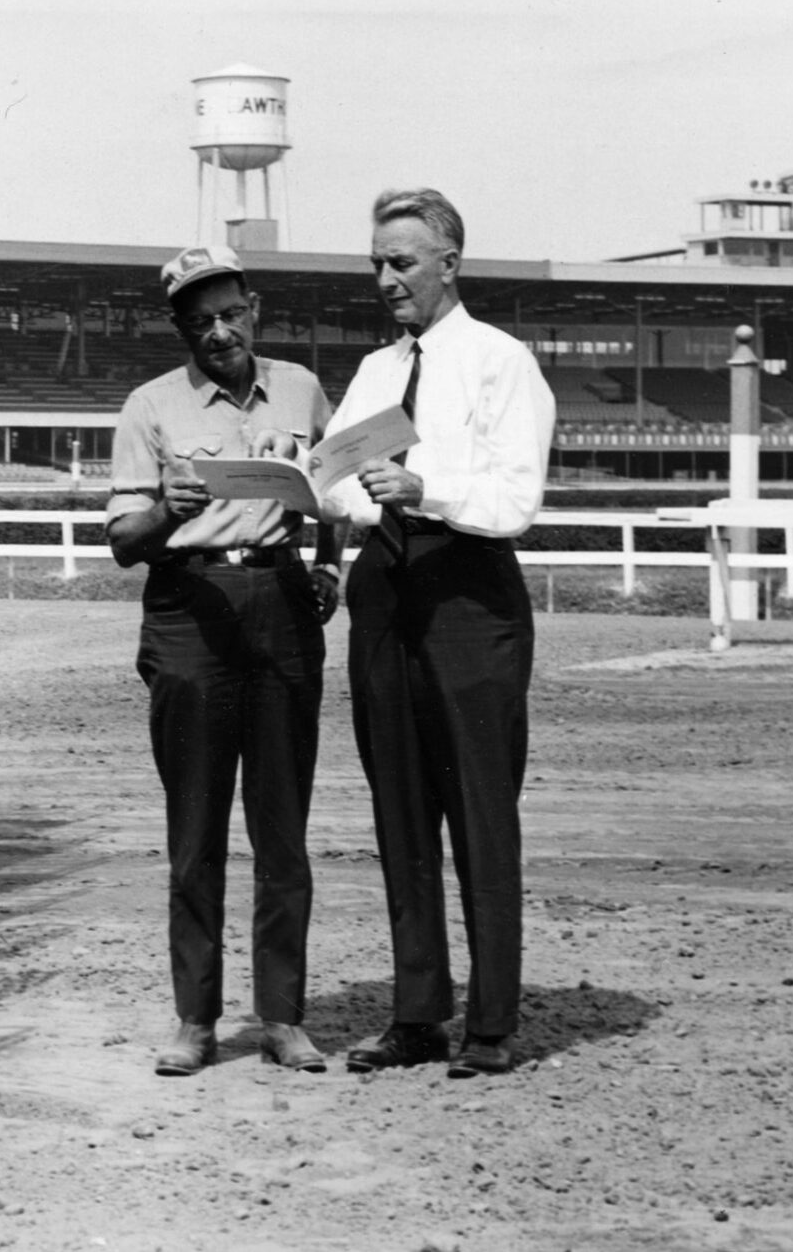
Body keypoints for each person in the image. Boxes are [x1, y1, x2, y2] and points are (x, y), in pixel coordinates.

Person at [316, 188, 554, 1079]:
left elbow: (516, 498)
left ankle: (490, 1024)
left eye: (403, 261)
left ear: (450, 262)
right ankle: (418, 1014)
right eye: (377, 262)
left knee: (482, 814)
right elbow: (337, 479)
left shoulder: (501, 361)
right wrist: (329, 491)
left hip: (469, 598)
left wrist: (426, 487)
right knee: (400, 811)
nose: (386, 278)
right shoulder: (377, 372)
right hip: (383, 591)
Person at [106, 245, 345, 1077]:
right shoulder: (150, 406)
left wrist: (328, 561)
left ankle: (282, 1015)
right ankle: (195, 1019)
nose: (220, 331)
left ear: (255, 310)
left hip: (280, 606)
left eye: (231, 313)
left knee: (283, 830)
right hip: (190, 607)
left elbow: (335, 486)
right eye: (200, 320)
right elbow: (121, 544)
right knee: (196, 831)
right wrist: (165, 514)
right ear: (180, 328)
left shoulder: (303, 389)